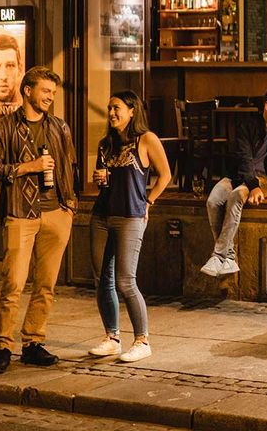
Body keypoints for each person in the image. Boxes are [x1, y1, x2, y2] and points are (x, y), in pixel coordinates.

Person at [0, 66, 77, 375]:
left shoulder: (59, 127)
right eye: (45, 91)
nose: (50, 97)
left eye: (53, 93)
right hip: (20, 212)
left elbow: (68, 166)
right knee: (14, 284)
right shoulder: (4, 127)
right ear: (28, 91)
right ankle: (4, 347)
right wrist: (26, 167)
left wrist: (70, 205)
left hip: (56, 213)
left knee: (46, 285)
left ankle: (33, 342)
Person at [87, 91, 172, 363]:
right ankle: (112, 337)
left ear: (132, 110)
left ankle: (142, 340)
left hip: (130, 217)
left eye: (117, 108)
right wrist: (99, 178)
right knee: (102, 280)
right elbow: (104, 180)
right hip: (101, 215)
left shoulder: (146, 140)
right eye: (109, 108)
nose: (111, 113)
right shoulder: (105, 144)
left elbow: (165, 174)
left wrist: (148, 200)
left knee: (125, 281)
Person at [201, 88, 267, 276]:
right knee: (212, 201)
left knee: (237, 196)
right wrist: (251, 185)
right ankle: (228, 257)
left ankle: (219, 255)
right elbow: (244, 157)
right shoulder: (247, 125)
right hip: (239, 175)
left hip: (264, 178)